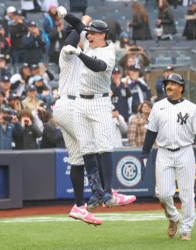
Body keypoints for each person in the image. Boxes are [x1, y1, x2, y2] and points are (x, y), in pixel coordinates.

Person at [57, 6, 136, 211]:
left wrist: (79, 52)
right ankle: (97, 193)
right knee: (87, 150)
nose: (88, 35)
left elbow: (97, 66)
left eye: (92, 33)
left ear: (102, 35)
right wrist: (66, 16)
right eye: (89, 32)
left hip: (99, 102)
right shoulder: (89, 42)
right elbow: (78, 26)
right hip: (80, 103)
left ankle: (108, 191)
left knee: (103, 147)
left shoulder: (108, 52)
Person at [140, 72, 196, 241]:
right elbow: (151, 132)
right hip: (163, 153)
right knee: (162, 194)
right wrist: (145, 153)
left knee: (187, 194)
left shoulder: (192, 108)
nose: (168, 86)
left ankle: (186, 229)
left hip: (185, 151)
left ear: (181, 87)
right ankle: (174, 218)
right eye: (167, 83)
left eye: (172, 83)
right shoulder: (158, 106)